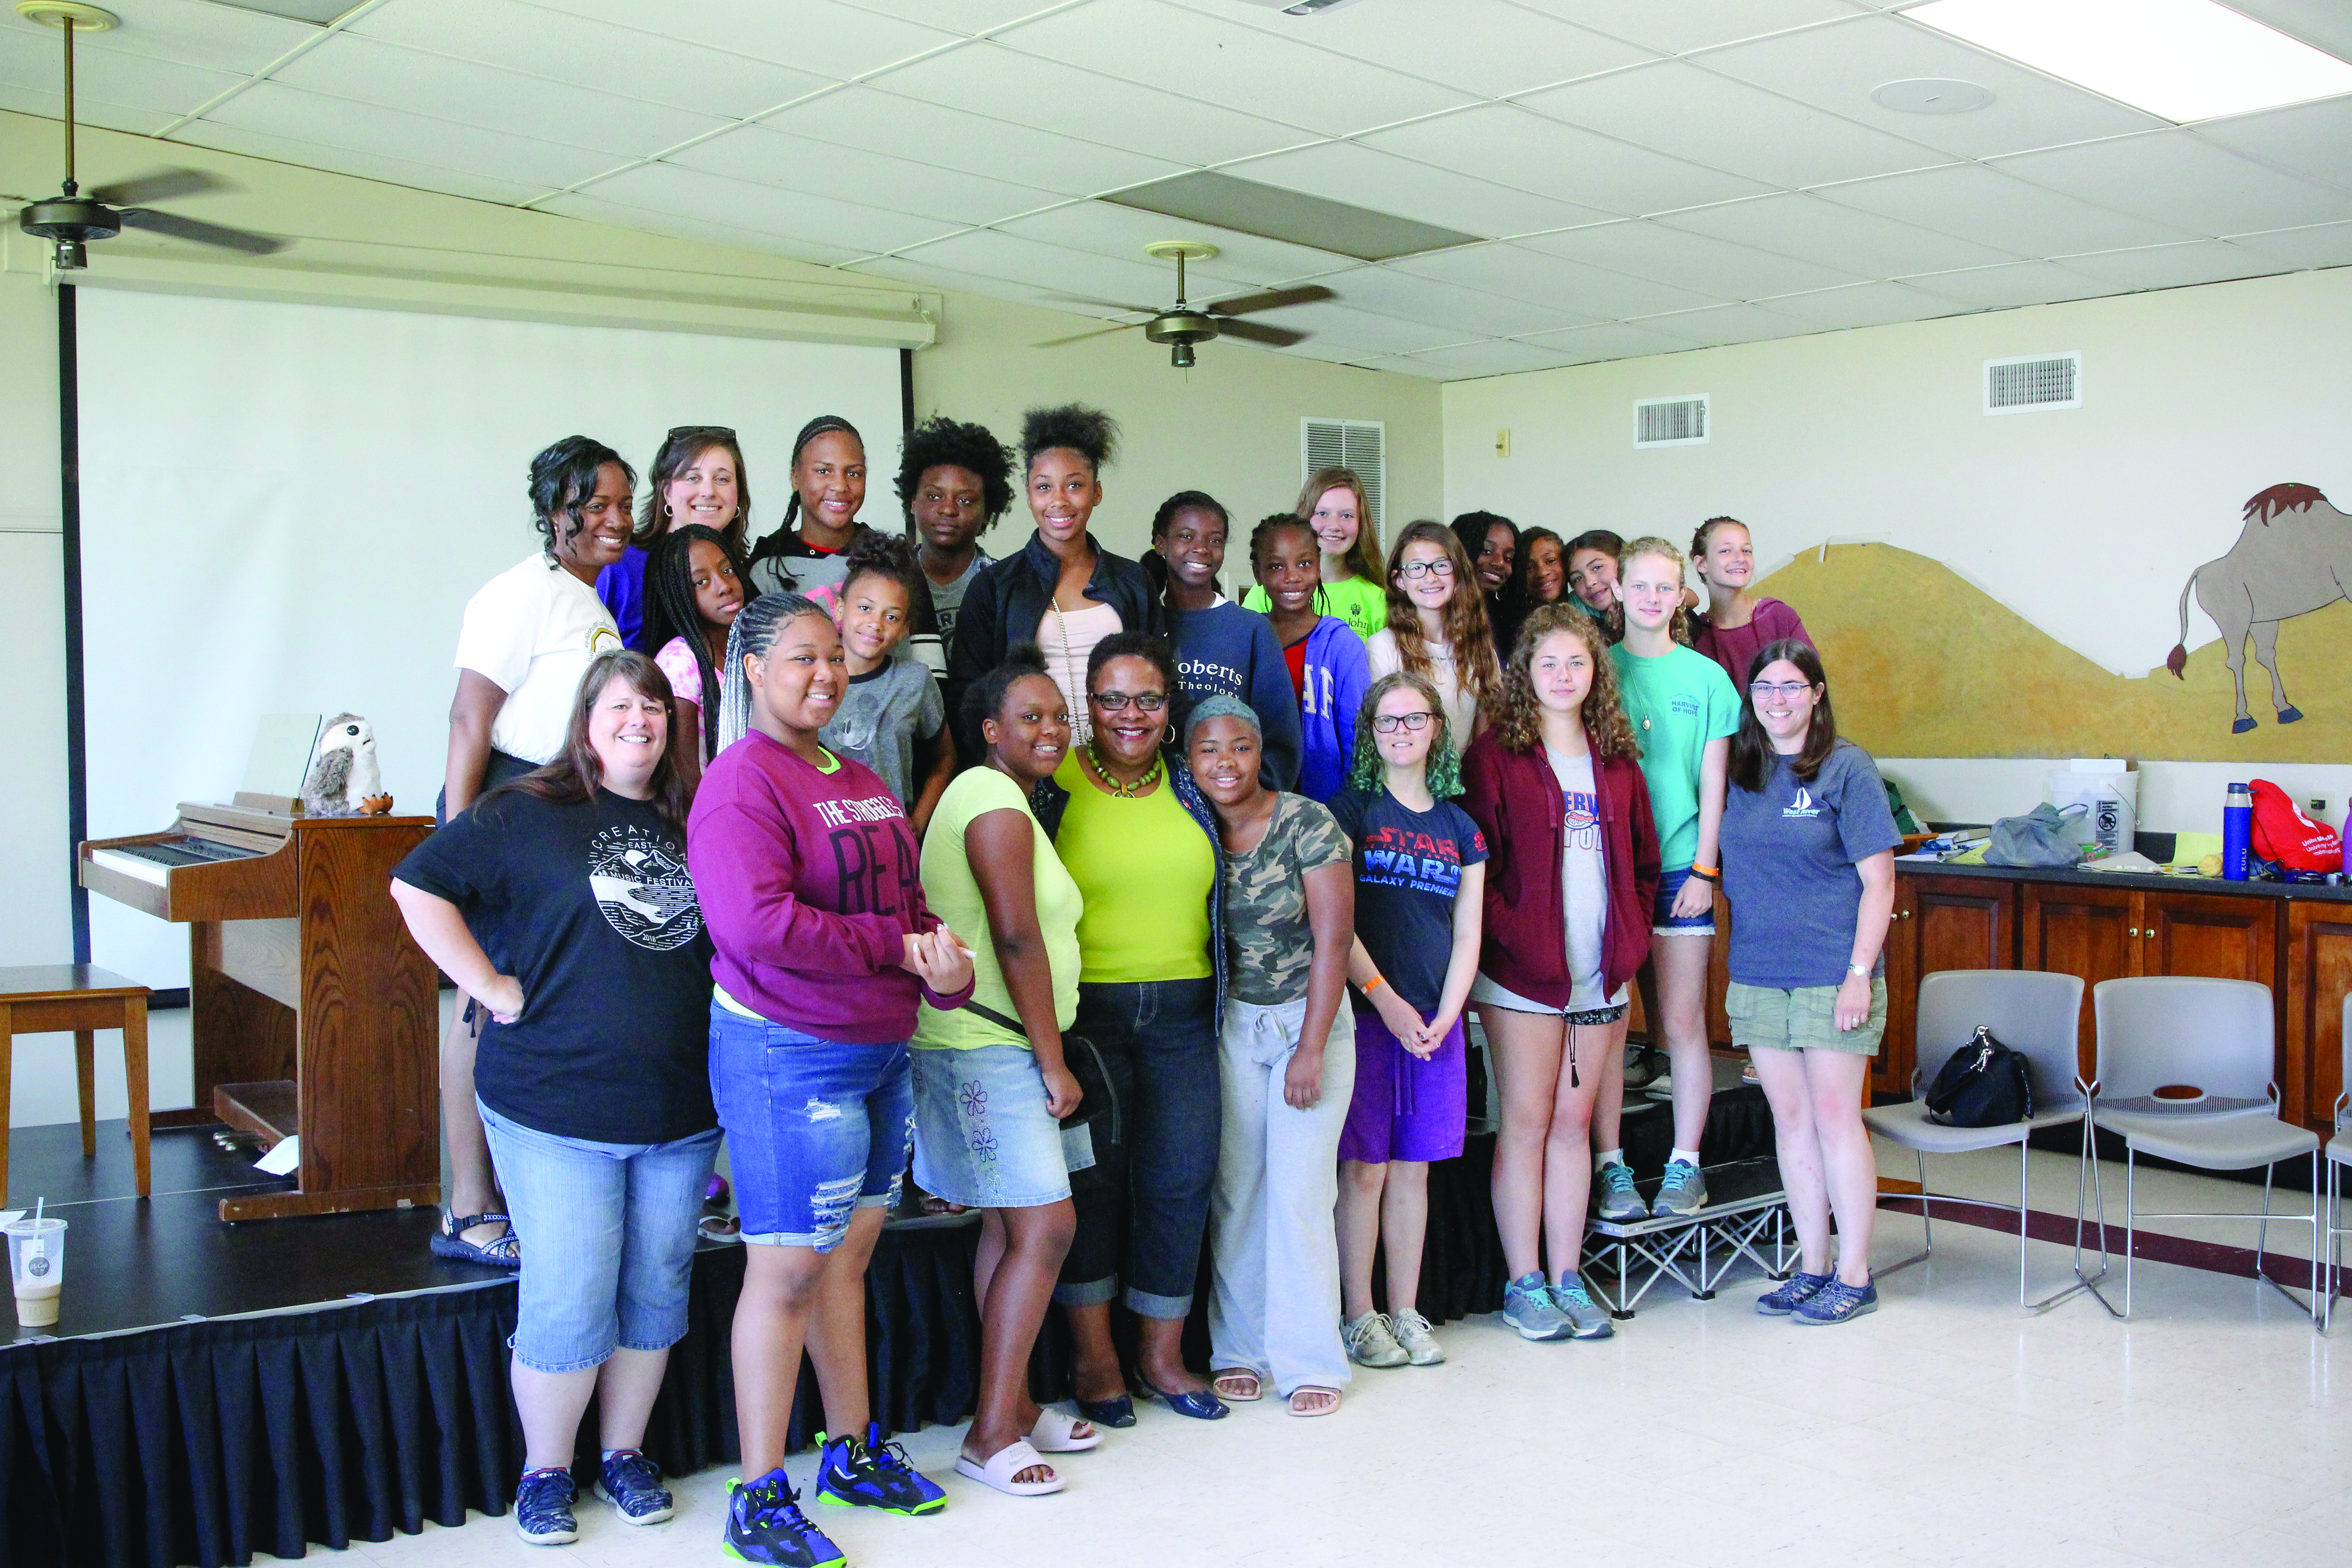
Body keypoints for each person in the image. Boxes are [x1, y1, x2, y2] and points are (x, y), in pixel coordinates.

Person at [392, 650, 717, 1545]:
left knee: (655, 1293)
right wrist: (487, 985)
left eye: (653, 709)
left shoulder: (696, 818)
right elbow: (416, 886)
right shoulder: (526, 811)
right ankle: (546, 1472)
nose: (639, 723)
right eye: (620, 707)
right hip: (553, 1105)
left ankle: (623, 1455)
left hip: (680, 1113)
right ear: (587, 720)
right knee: (571, 1298)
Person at [690, 591, 975, 1568]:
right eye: (800, 660)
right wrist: (897, 948)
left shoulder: (855, 774)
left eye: (832, 661)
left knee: (848, 1262)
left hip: (881, 1048)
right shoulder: (739, 785)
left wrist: (941, 960)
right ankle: (758, 1494)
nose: (823, 675)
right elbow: (754, 927)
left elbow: (907, 903)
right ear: (754, 669)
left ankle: (850, 1451)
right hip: (789, 1054)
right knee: (787, 1272)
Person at [436, 435, 633, 1269]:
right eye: (596, 506)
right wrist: (460, 846)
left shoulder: (585, 599)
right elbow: (467, 722)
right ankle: (467, 1207)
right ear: (556, 511)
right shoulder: (516, 594)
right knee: (480, 1007)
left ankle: (511, 1197)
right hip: (506, 811)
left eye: (626, 505)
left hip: (562, 812)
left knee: (527, 1003)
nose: (615, 522)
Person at [912, 648, 1095, 1496]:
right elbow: (1015, 936)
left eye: (1058, 715)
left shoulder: (1002, 797)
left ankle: (1012, 1407)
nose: (1050, 728)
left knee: (1008, 1228)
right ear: (990, 732)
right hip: (989, 1045)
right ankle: (989, 1435)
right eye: (1030, 717)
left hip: (994, 1039)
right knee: (1046, 1228)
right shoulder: (990, 800)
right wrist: (1051, 1061)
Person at [1035, 632, 1229, 1425]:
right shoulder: (1052, 782)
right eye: (1111, 698)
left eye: (1147, 699)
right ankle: (1095, 1359)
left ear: (1169, 709)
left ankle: (1160, 1354)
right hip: (1089, 1020)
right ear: (1087, 703)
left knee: (1178, 1182)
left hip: (1185, 1016)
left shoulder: (1194, 784)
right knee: (1093, 1187)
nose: (1129, 715)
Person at [1461, 605, 1659, 1344]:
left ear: (1594, 673)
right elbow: (1478, 873)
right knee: (1526, 1124)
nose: (1562, 676)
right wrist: (1514, 943)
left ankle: (1568, 1276)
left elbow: (1643, 866)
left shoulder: (1613, 758)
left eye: (1576, 663)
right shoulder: (1494, 756)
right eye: (1547, 663)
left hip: (1599, 979)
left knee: (1574, 1129)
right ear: (1525, 672)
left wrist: (1630, 944)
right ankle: (1523, 1283)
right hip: (1522, 980)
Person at [1190, 696, 1357, 1418]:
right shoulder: (1191, 827)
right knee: (1240, 1191)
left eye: (1241, 748)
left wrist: (1310, 1048)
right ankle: (1241, 1351)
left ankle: (1311, 1359)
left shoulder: (1307, 825)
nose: (1225, 764)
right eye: (1208, 750)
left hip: (1307, 1026)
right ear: (1189, 759)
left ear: (1262, 753)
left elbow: (1334, 944)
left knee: (1299, 1195)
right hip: (1234, 1027)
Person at [1726, 639, 1899, 1327]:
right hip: (1760, 973)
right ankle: (1813, 1265)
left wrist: (1859, 975)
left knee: (1834, 1120)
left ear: (1817, 693)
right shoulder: (1740, 768)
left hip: (1835, 972)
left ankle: (1855, 1274)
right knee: (1790, 1121)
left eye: (1792, 687)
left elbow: (1880, 882)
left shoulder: (1846, 768)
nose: (1778, 700)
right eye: (1765, 688)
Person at [1331, 673, 1485, 1372]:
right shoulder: (1350, 812)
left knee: (1413, 1173)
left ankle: (1406, 1310)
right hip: (1367, 1020)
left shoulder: (1461, 827)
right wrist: (1388, 1003)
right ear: (1371, 734)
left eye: (1413, 720)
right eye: (1387, 722)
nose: (1401, 733)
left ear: (1435, 730)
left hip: (1434, 1029)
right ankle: (1359, 1316)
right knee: (1364, 1172)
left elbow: (1466, 935)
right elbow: (1335, 924)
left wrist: (1445, 1015)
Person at [1593, 537, 1741, 1223]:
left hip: (1683, 866)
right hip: (1611, 868)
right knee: (1610, 1029)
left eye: (1666, 588)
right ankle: (1611, 1166)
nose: (1652, 599)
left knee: (1682, 1024)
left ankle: (1686, 1163)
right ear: (1617, 592)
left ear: (1683, 594)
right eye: (1640, 587)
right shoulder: (1595, 670)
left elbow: (1715, 784)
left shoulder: (1708, 679)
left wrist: (1706, 870)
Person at [947, 404, 1157, 755]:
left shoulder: (1133, 581)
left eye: (1075, 485)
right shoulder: (994, 588)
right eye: (1044, 487)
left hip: (1122, 765)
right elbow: (970, 697)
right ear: (1029, 494)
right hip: (1029, 771)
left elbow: (1159, 682)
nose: (1059, 500)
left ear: (1097, 492)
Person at [1147, 490, 1302, 790]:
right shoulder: (1143, 624)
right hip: (1156, 801)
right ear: (1160, 543)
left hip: (1234, 805)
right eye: (1186, 536)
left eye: (1214, 540)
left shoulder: (1251, 630)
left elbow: (1280, 738)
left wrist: (1250, 805)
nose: (1201, 549)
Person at [819, 532, 952, 833]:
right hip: (826, 843)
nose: (875, 624)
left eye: (891, 617)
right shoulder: (815, 680)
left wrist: (918, 821)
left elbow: (944, 760)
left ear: (906, 629)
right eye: (865, 608)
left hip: (894, 844)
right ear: (840, 609)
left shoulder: (915, 681)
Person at [1249, 513, 1368, 804]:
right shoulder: (1246, 636)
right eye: (1277, 567)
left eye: (1305, 564)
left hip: (1325, 805)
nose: (1293, 577)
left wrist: (1353, 812)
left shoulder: (1342, 644)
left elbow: (1359, 738)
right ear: (1258, 573)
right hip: (1252, 800)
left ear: (1318, 567)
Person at [599, 425, 750, 649]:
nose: (708, 492)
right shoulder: (619, 567)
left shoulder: (743, 575)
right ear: (667, 492)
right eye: (692, 478)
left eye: (722, 479)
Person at [897, 416, 1015, 681]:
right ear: (913, 501)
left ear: (988, 512)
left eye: (965, 500)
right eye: (934, 496)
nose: (948, 509)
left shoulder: (1006, 585)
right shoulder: (892, 581)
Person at [1365, 520, 1500, 746]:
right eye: (1417, 568)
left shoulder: (1480, 649)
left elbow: (1484, 742)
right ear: (1400, 580)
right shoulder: (1383, 648)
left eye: (1441, 565)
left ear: (1458, 572)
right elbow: (1378, 738)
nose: (1431, 577)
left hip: (1461, 779)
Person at [640, 523, 746, 794]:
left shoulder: (752, 645)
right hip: (711, 814)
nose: (724, 586)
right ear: (677, 594)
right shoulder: (680, 660)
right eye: (701, 582)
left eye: (727, 570)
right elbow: (684, 772)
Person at [1240, 467, 1387, 641]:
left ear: (1361, 523)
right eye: (1323, 514)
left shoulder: (1377, 600)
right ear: (1305, 516)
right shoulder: (1265, 593)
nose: (1334, 526)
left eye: (1347, 516)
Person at [744, 416, 876, 598]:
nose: (840, 486)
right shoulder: (767, 567)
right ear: (795, 477)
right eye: (823, 471)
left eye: (854, 473)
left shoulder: (888, 559)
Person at [1689, 516, 1812, 685]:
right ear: (1702, 563)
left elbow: (1810, 684)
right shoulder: (1694, 633)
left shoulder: (1779, 617)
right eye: (1726, 551)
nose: (1740, 558)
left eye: (1747, 550)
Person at [1451, 510, 1518, 652]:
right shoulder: (1437, 616)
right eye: (1487, 551)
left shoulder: (1503, 623)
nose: (1500, 563)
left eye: (1508, 558)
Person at [1495, 525, 1567, 656]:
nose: (1542, 572)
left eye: (1550, 561)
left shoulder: (1587, 614)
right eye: (1529, 567)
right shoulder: (1513, 628)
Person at [1563, 529, 1626, 634]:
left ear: (1623, 562)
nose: (1589, 583)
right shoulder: (1572, 617)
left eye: (1597, 567)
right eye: (1578, 578)